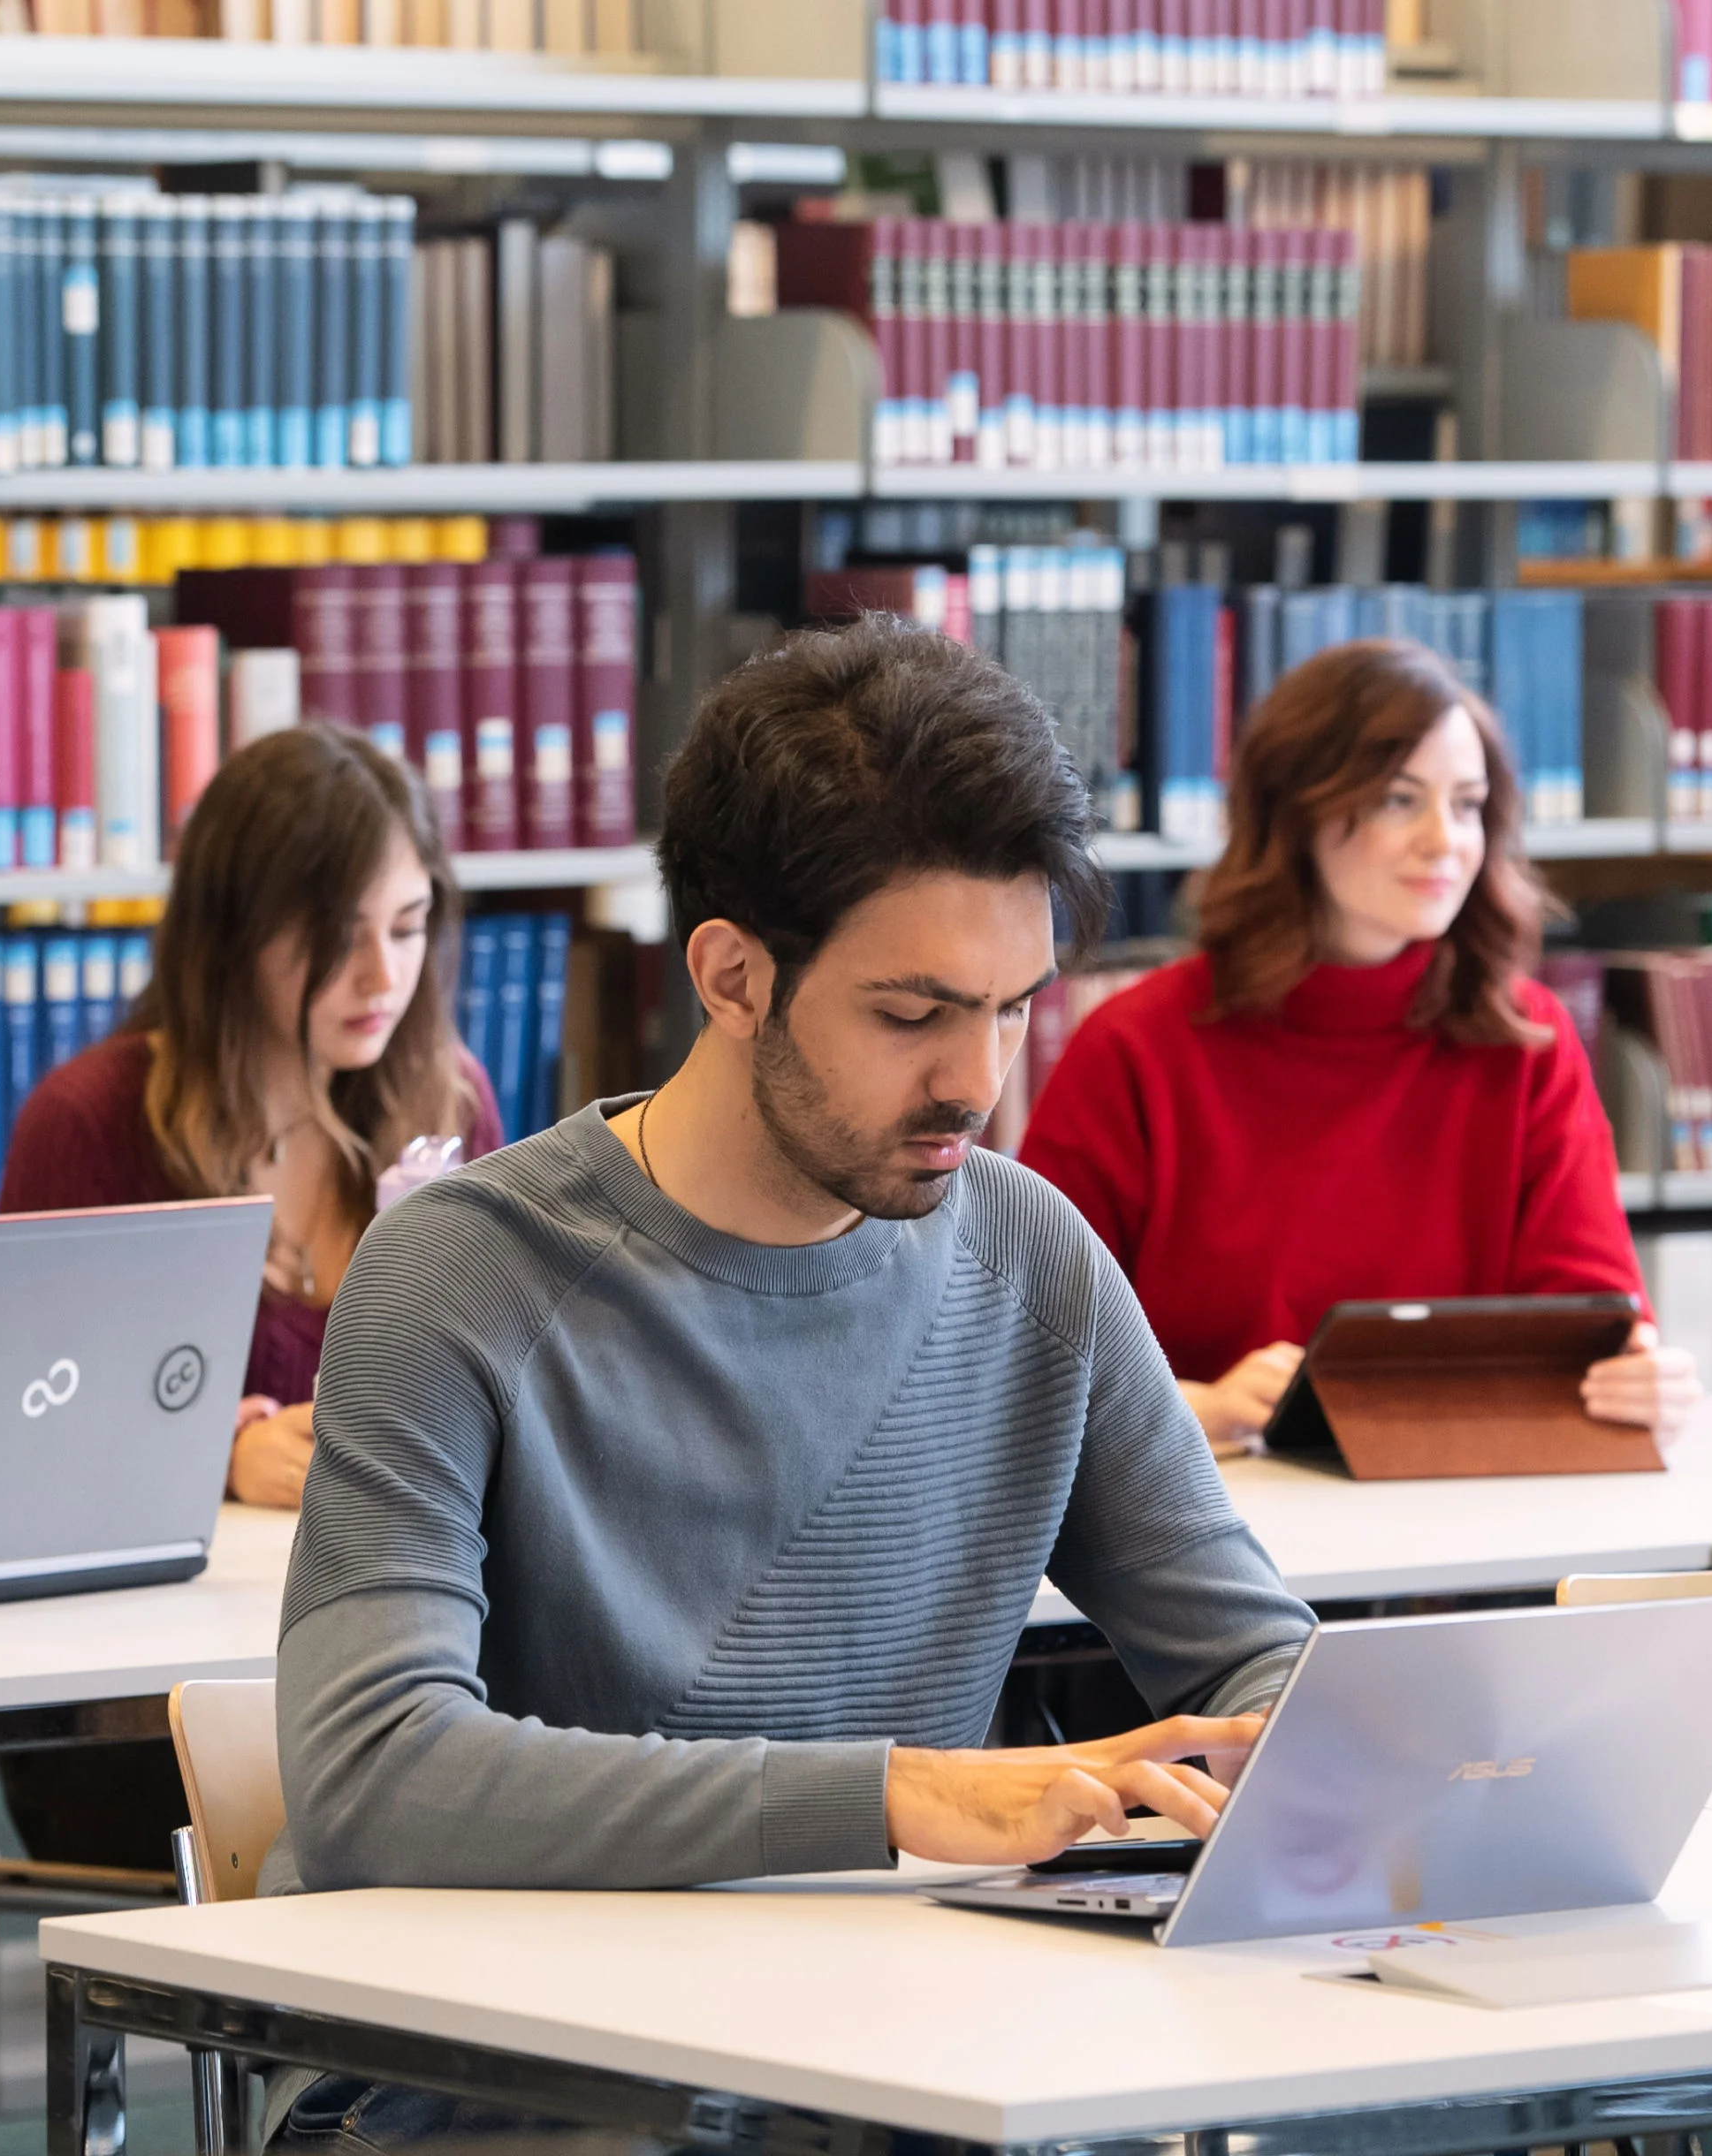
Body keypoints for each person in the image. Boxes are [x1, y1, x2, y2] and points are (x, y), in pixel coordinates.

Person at [273, 619, 1313, 1909]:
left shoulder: (1030, 1253)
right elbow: (372, 1776)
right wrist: (891, 1796)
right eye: (912, 1014)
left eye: (1014, 1008)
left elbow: (1262, 1673)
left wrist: (1342, 1748)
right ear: (732, 978)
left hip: (898, 2015)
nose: (977, 1080)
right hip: (513, 2026)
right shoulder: (459, 1274)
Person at [1019, 636, 1699, 1454]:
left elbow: (1591, 1332)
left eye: (1468, 805)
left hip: (1461, 1504)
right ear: (1296, 813)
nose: (1445, 840)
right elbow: (1024, 1355)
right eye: (1399, 801)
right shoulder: (1134, 1049)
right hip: (1206, 1505)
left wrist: (1637, 1380)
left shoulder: (1528, 1043)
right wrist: (1194, 1408)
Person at [0, 721, 497, 1513]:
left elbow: (503, 1389)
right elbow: (24, 1427)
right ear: (234, 937)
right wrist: (214, 1460)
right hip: (189, 1585)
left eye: (408, 928)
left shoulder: (452, 1098)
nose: (384, 976)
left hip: (401, 1568)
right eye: (339, 940)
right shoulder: (88, 1122)